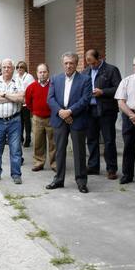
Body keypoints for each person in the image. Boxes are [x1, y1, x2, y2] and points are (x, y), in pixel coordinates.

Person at [46, 53, 91, 193]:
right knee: (59, 151)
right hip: (59, 119)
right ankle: (59, 179)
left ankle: (81, 181)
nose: (68, 65)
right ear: (62, 63)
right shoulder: (55, 79)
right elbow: (50, 99)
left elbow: (85, 100)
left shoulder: (85, 79)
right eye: (66, 63)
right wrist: (61, 112)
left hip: (77, 118)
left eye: (71, 63)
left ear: (76, 63)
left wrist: (70, 111)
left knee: (79, 152)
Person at [0, 59, 24, 185]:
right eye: (4, 67)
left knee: (15, 149)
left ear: (13, 68)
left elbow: (21, 98)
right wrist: (12, 97)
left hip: (14, 120)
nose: (6, 69)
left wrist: (4, 95)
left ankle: (16, 174)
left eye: (9, 67)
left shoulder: (18, 81)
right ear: (1, 68)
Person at [84, 49, 122, 180]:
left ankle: (111, 169)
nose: (91, 66)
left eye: (93, 63)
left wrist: (103, 92)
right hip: (90, 111)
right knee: (91, 139)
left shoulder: (111, 70)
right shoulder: (86, 71)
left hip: (107, 111)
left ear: (99, 58)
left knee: (109, 140)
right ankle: (93, 166)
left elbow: (118, 89)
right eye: (89, 63)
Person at [115, 56, 135, 184]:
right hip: (129, 117)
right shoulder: (126, 81)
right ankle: (127, 175)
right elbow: (121, 102)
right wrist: (132, 115)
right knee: (128, 146)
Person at [24, 64, 56, 172]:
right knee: (38, 142)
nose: (42, 74)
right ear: (37, 73)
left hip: (52, 118)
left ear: (48, 72)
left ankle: (54, 163)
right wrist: (34, 112)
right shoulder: (31, 87)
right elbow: (28, 102)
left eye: (44, 72)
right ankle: (39, 162)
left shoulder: (54, 85)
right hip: (37, 118)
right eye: (40, 72)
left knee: (53, 142)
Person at [15, 61, 35, 148]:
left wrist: (24, 93)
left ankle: (28, 139)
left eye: (21, 67)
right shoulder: (15, 77)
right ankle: (20, 138)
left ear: (25, 68)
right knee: (19, 122)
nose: (19, 69)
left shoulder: (29, 77)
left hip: (26, 103)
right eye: (18, 67)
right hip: (18, 102)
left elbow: (32, 89)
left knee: (27, 122)